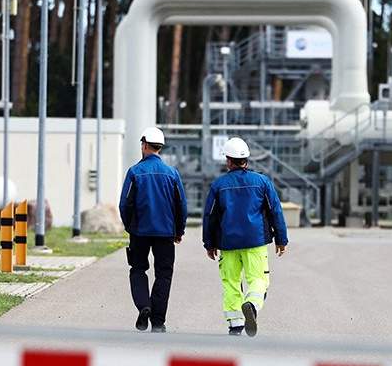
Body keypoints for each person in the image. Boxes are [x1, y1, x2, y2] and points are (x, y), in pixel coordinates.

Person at [202, 137, 288, 337]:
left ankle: (235, 324)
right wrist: (281, 239)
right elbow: (275, 210)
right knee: (258, 279)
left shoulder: (218, 185)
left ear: (228, 161)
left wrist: (209, 243)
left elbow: (210, 216)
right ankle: (252, 304)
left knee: (231, 282)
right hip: (255, 241)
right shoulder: (262, 182)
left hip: (228, 243)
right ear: (247, 160)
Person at [119, 127, 188, 333]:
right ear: (160, 148)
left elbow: (124, 204)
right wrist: (179, 230)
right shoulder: (172, 173)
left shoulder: (134, 172)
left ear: (144, 145)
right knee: (164, 274)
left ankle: (144, 306)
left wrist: (129, 226)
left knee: (138, 269)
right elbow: (181, 205)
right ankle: (158, 322)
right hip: (165, 233)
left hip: (139, 232)